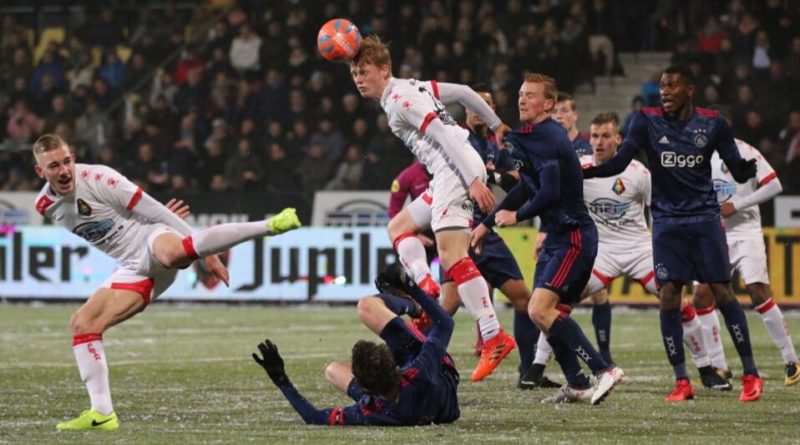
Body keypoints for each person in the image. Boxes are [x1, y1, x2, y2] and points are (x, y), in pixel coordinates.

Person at [33, 134, 301, 431]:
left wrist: (207, 257)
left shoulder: (99, 178)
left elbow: (154, 210)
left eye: (67, 161)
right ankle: (102, 413)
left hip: (152, 237)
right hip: (133, 268)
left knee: (172, 252)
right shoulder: (45, 205)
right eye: (54, 165)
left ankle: (271, 225)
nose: (64, 170)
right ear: (40, 171)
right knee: (82, 324)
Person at [582, 65, 762, 402]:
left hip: (704, 220)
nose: (664, 91)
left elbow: (735, 167)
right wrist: (588, 172)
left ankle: (751, 374)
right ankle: (682, 382)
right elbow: (619, 163)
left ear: (689, 89)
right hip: (666, 224)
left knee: (722, 293)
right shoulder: (644, 120)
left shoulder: (712, 123)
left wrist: (742, 170)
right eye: (662, 86)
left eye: (672, 86)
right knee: (669, 296)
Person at [349, 35, 515, 382]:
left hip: (454, 170)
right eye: (354, 73)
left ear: (385, 70)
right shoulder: (413, 86)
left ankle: (493, 334)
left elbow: (441, 132)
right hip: (451, 171)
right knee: (398, 227)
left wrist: (472, 178)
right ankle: (428, 286)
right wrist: (497, 124)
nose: (358, 79)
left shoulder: (398, 100)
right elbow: (467, 93)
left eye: (364, 71)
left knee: (453, 255)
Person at [528, 112, 731, 391]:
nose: (598, 142)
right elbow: (554, 202)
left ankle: (706, 369)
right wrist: (545, 232)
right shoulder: (578, 169)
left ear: (618, 140)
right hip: (602, 252)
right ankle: (537, 367)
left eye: (606, 136)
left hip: (639, 249)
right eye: (595, 136)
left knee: (679, 304)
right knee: (554, 303)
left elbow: (662, 211)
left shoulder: (638, 173)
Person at [472, 73, 624, 405]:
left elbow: (551, 191)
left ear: (549, 103)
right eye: (521, 94)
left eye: (531, 95)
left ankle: (603, 370)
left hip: (573, 237)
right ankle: (579, 383)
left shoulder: (549, 137)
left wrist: (517, 217)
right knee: (543, 313)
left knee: (541, 310)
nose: (522, 100)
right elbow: (528, 186)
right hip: (559, 237)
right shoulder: (532, 136)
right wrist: (486, 224)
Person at [435, 85, 544, 390]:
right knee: (449, 303)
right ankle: (420, 360)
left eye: (488, 106)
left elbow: (517, 185)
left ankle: (527, 370)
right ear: (467, 110)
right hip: (459, 230)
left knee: (524, 301)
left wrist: (493, 175)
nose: (480, 110)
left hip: (487, 232)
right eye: (476, 105)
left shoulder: (497, 145)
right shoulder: (454, 136)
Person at [252, 269, 460, 426]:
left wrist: (281, 380)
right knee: (366, 306)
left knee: (332, 369)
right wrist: (410, 286)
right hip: (438, 376)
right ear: (393, 364)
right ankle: (413, 305)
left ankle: (411, 305)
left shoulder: (370, 411)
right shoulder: (420, 371)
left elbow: (313, 416)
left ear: (366, 390)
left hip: (407, 407)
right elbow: (444, 324)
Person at [694, 137, 799, 387]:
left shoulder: (744, 151)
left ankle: (791, 361)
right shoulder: (695, 155)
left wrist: (738, 204)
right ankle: (719, 367)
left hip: (745, 232)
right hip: (712, 234)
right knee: (702, 297)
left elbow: (774, 185)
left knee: (757, 292)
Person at [553, 92, 592, 156]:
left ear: (575, 115)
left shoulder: (591, 142)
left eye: (564, 111)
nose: (558, 116)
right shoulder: (544, 147)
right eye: (554, 112)